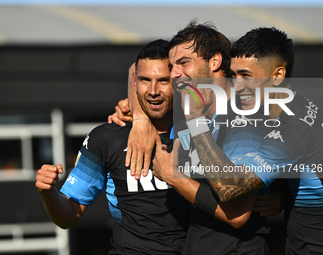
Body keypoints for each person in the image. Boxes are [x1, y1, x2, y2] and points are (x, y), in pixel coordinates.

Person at [110, 21, 283, 254]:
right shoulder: (192, 104)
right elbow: (135, 69)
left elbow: (237, 213)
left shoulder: (243, 118)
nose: (173, 74)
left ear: (215, 61)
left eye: (183, 63)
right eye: (172, 66)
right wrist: (141, 120)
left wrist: (175, 177)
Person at [173, 27, 323, 255]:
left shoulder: (290, 129)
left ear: (277, 76)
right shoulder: (298, 108)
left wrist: (194, 120)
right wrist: (282, 191)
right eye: (234, 75)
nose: (238, 85)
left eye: (246, 76)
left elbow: (231, 189)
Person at [35, 39, 192, 254]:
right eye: (145, 80)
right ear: (135, 82)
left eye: (163, 81)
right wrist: (48, 193)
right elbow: (70, 214)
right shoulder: (106, 138)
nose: (153, 90)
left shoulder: (199, 132)